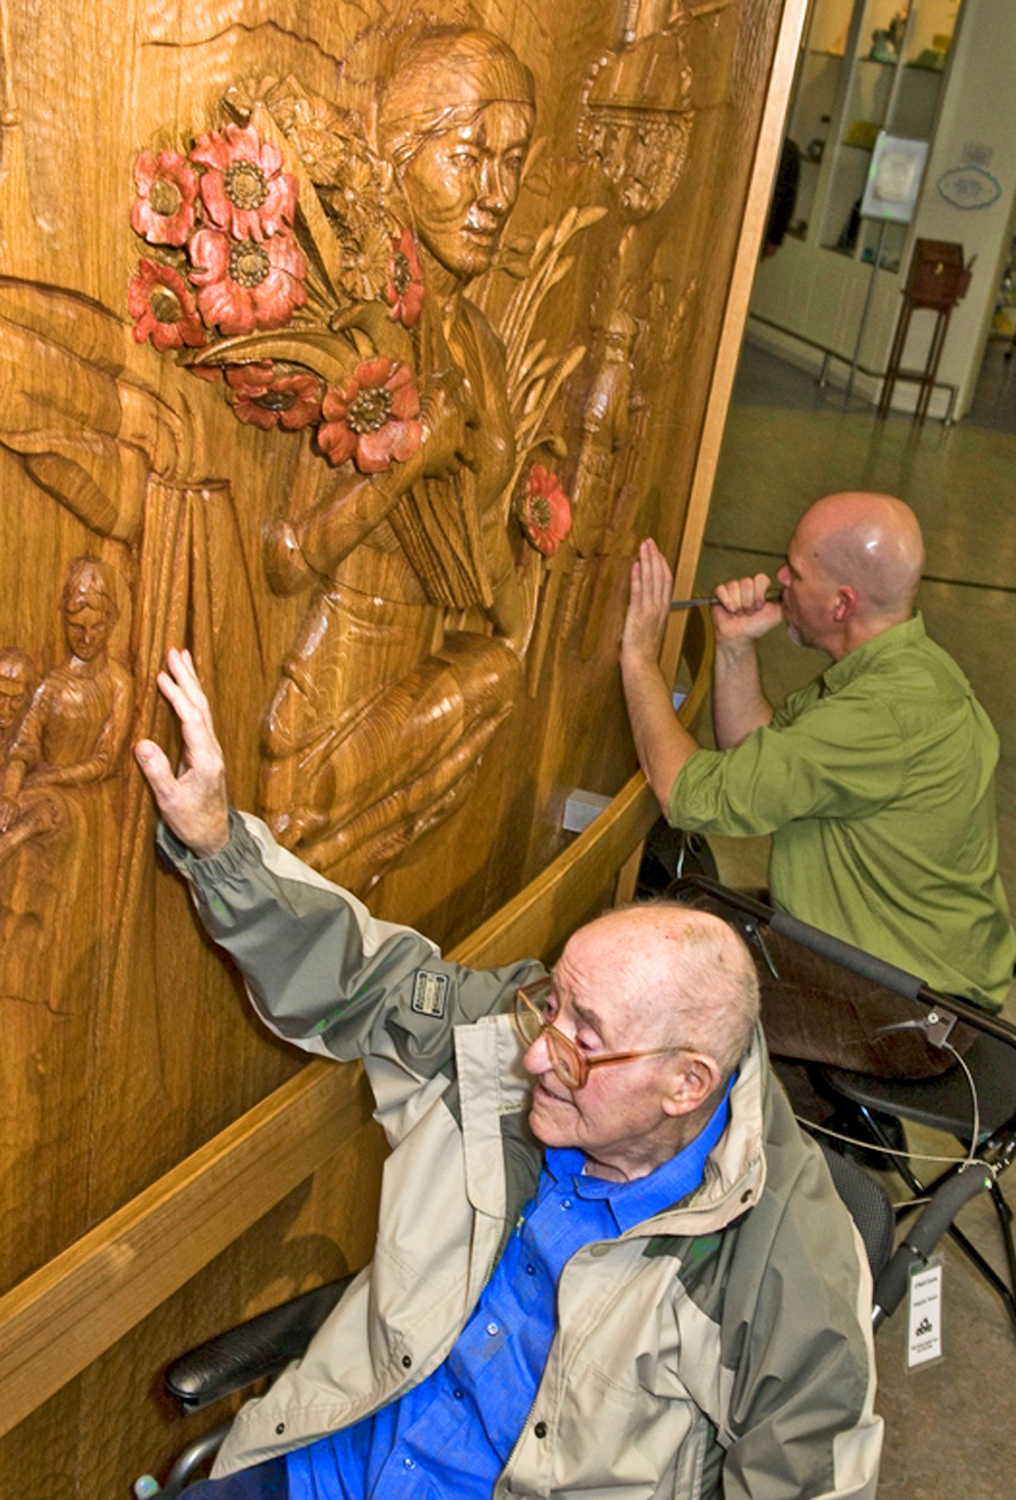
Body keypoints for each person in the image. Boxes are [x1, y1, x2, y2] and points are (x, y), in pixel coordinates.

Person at [134, 648, 881, 1499]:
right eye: (553, 1003)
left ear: (688, 1085)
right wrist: (219, 846)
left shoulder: (791, 1269)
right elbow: (362, 976)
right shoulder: (513, 1032)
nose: (534, 1052)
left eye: (582, 1037)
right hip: (329, 1460)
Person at [620, 491, 1015, 1082]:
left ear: (841, 603)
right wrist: (734, 646)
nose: (779, 578)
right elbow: (756, 750)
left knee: (649, 986)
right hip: (901, 973)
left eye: (795, 571)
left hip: (909, 1009)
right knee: (686, 914)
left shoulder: (882, 713)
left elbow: (685, 794)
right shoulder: (902, 668)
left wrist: (638, 660)